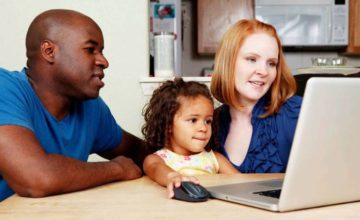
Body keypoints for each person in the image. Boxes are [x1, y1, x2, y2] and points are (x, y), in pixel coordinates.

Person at [0, 9, 149, 202]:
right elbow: (35, 179)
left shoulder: (90, 106)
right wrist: (117, 168)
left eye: (101, 51)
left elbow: (140, 152)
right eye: (90, 50)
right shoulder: (5, 89)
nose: (104, 61)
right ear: (49, 51)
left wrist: (191, 146)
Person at [210, 19, 302, 173]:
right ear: (228, 62)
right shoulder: (209, 122)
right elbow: (161, 158)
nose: (264, 72)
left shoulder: (297, 113)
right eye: (252, 59)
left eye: (271, 63)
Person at [142, 78, 238, 198]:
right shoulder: (157, 159)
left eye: (208, 121)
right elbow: (155, 169)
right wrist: (172, 177)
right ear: (168, 124)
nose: (203, 128)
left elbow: (241, 182)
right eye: (193, 120)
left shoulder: (215, 159)